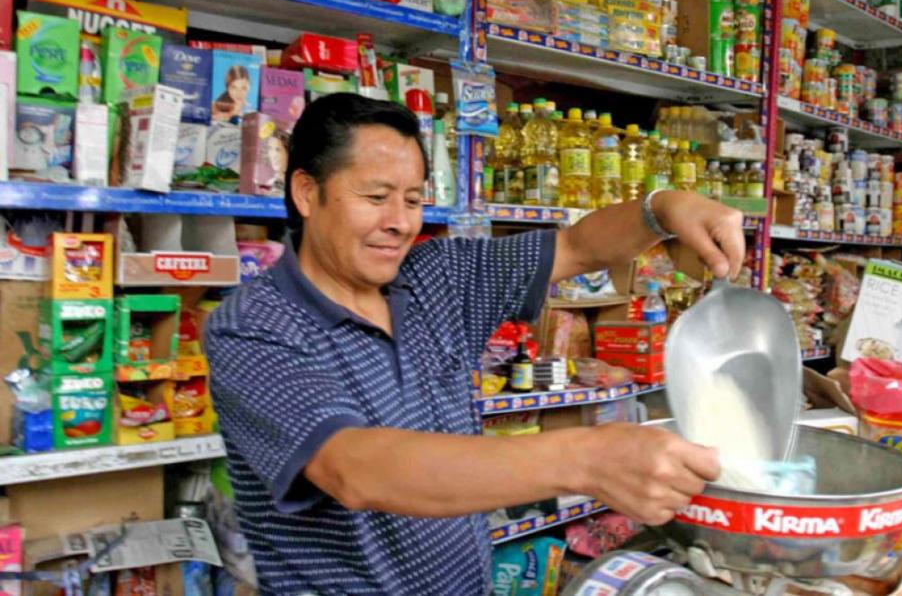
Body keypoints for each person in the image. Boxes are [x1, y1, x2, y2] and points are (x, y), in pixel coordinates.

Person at [205, 94, 747, 594]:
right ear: (306, 192)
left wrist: (664, 209)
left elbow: (579, 247)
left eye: (413, 200)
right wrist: (586, 458)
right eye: (375, 198)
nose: (399, 223)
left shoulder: (438, 278)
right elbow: (353, 468)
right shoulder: (253, 325)